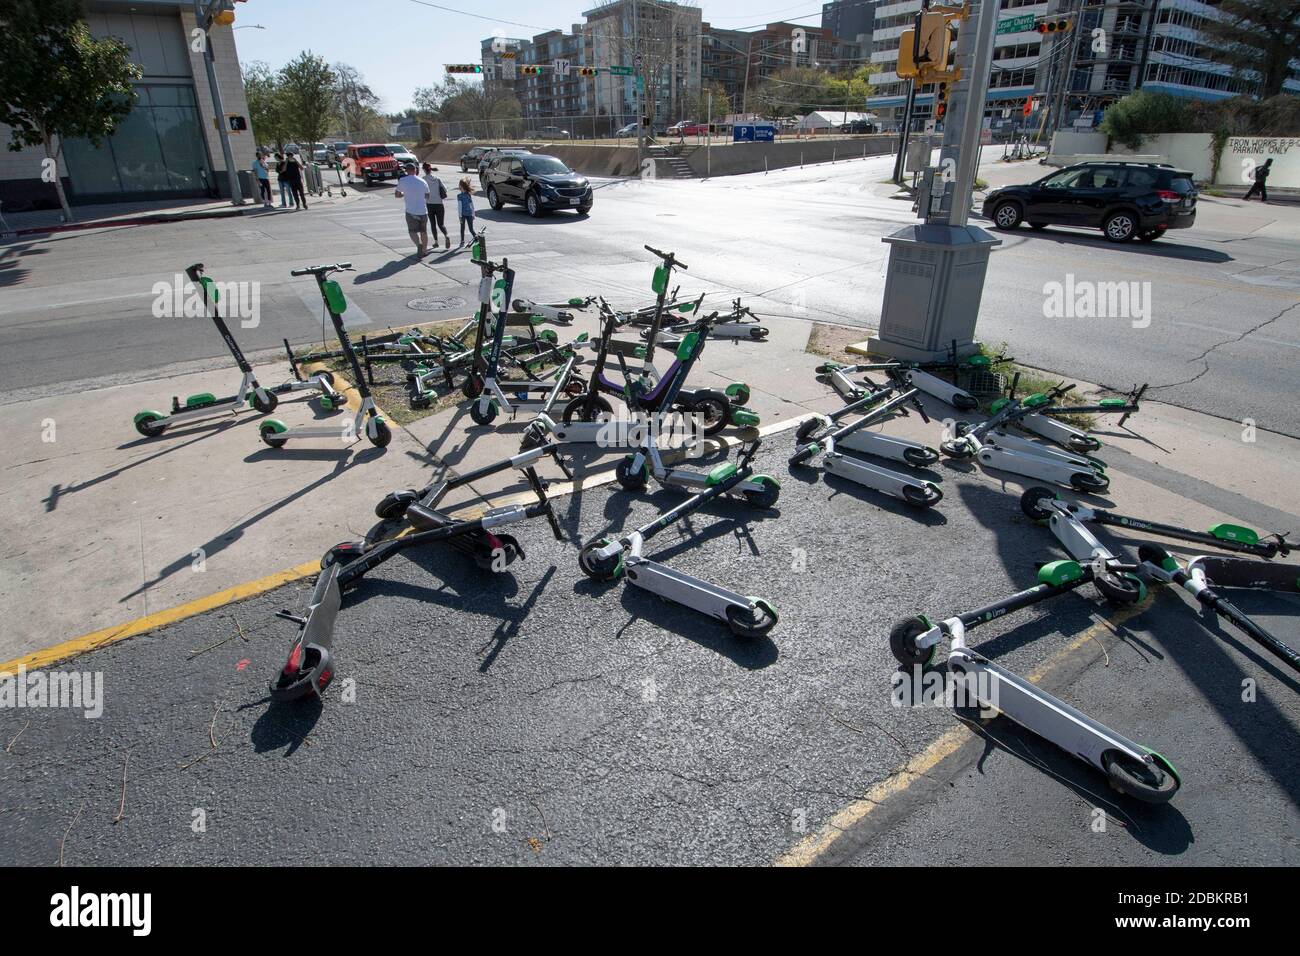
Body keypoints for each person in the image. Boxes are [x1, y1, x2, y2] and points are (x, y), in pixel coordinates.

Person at [394, 162, 431, 256]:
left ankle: (419, 245)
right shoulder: (423, 181)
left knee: (412, 231)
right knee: (424, 231)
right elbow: (427, 196)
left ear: (406, 171)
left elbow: (397, 195)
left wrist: (404, 194)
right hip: (423, 211)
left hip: (411, 211)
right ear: (415, 170)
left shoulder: (403, 180)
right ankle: (425, 250)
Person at [421, 162, 451, 250]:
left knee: (433, 224)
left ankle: (436, 242)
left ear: (424, 170)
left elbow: (422, 193)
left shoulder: (423, 180)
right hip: (439, 204)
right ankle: (446, 235)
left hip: (429, 204)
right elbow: (445, 189)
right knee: (441, 224)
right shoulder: (437, 178)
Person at [281, 145, 308, 210]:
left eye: (292, 156)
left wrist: (296, 161)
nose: (291, 157)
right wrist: (287, 161)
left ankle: (304, 204)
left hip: (298, 179)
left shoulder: (295, 162)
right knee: (295, 193)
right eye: (289, 156)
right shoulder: (286, 163)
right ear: (287, 157)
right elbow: (283, 170)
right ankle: (298, 205)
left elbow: (301, 168)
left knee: (301, 193)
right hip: (291, 180)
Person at [456, 178, 476, 247]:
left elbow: (460, 207)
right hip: (469, 214)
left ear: (461, 186)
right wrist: (473, 214)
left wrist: (460, 216)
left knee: (462, 228)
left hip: (463, 215)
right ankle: (476, 239)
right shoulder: (468, 195)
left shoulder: (460, 196)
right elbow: (472, 205)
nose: (459, 186)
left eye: (459, 185)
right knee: (470, 229)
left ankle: (462, 241)